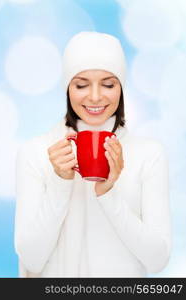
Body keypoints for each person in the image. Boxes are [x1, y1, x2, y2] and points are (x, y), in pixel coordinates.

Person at [14, 31, 172, 277]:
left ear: (122, 88)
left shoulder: (149, 154)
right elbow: (31, 260)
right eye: (81, 85)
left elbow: (158, 260)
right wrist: (60, 183)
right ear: (67, 88)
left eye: (108, 84)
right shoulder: (36, 153)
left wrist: (108, 194)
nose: (96, 96)